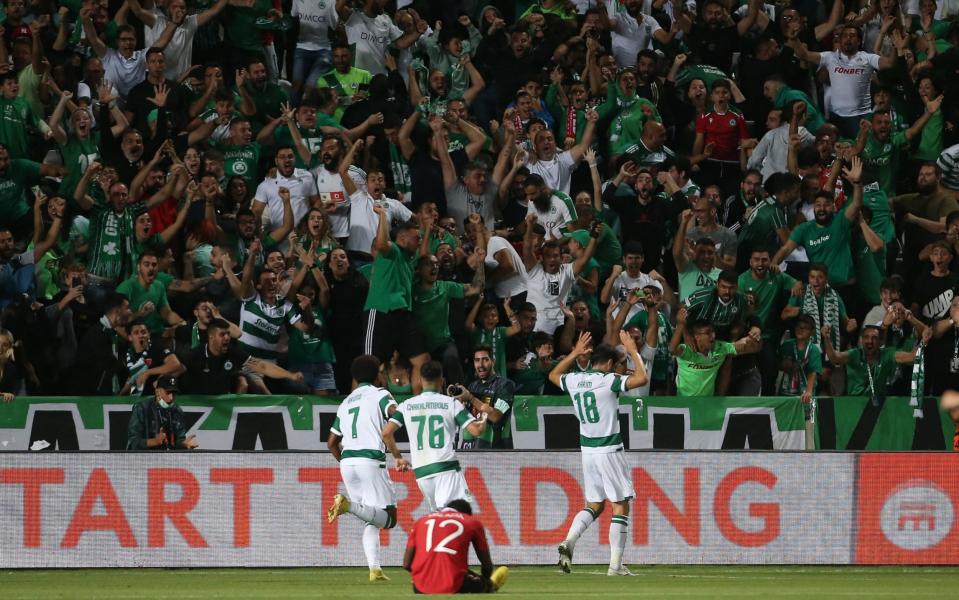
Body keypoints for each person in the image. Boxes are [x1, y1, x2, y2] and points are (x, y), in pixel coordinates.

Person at [549, 330, 647, 576]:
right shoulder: (610, 380)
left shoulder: (574, 380)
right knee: (620, 505)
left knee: (594, 504)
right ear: (611, 363)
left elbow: (553, 375)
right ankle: (615, 565)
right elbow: (642, 379)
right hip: (610, 449)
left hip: (588, 451)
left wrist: (574, 353)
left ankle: (569, 540)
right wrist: (632, 349)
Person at [327, 355, 408, 582]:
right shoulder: (380, 394)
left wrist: (346, 462)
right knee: (389, 519)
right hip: (370, 460)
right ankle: (348, 506)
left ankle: (375, 570)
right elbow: (394, 412)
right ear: (376, 375)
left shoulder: (346, 402)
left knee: (371, 518)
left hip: (348, 462)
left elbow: (331, 443)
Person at [382, 361, 486, 511]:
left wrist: (398, 457)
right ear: (442, 381)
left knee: (438, 517)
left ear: (419, 380)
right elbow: (476, 430)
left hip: (422, 474)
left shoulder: (406, 405)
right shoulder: (451, 403)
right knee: (460, 514)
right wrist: (484, 415)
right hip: (446, 469)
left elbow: (386, 433)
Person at [403, 498, 509, 594]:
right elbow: (486, 565)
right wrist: (486, 581)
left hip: (419, 588)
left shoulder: (421, 521)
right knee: (479, 582)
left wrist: (422, 576)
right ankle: (490, 586)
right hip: (454, 585)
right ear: (467, 514)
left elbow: (407, 564)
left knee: (452, 569)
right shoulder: (471, 522)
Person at [179, 318, 304, 395]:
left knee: (246, 381)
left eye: (228, 334)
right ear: (211, 336)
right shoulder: (195, 355)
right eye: (222, 334)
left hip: (223, 400)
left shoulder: (233, 353)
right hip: (201, 401)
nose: (227, 337)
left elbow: (263, 367)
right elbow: (176, 371)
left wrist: (290, 375)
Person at [459, 345, 517, 449]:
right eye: (477, 360)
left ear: (493, 361)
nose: (480, 365)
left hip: (496, 449)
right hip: (471, 446)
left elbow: (496, 416)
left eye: (485, 360)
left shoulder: (505, 385)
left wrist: (471, 398)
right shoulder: (472, 386)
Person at [125, 375, 199, 450]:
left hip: (168, 459)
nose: (171, 398)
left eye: (174, 393)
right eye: (168, 393)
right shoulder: (142, 408)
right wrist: (154, 441)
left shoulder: (177, 411)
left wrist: (183, 444)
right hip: (144, 459)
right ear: (157, 391)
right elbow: (132, 442)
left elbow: (178, 441)